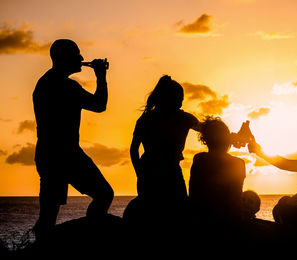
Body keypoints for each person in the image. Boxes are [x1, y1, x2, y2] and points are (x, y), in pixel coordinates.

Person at [33, 39, 114, 240]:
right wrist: (101, 77)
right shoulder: (67, 87)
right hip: (67, 155)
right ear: (64, 58)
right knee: (104, 194)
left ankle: (40, 246)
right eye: (77, 54)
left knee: (49, 212)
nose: (81, 58)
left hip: (48, 154)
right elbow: (99, 104)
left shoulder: (44, 83)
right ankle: (90, 238)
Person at [126, 75, 202, 223]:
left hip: (154, 174)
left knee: (156, 218)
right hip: (162, 175)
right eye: (179, 98)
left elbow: (134, 150)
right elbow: (208, 131)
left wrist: (139, 173)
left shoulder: (147, 119)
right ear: (169, 98)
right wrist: (140, 174)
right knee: (176, 217)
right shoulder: (181, 118)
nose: (181, 102)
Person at [188, 116, 246, 229]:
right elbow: (235, 199)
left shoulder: (200, 159)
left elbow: (194, 195)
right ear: (227, 138)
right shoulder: (238, 163)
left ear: (205, 140)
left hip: (202, 220)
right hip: (230, 221)